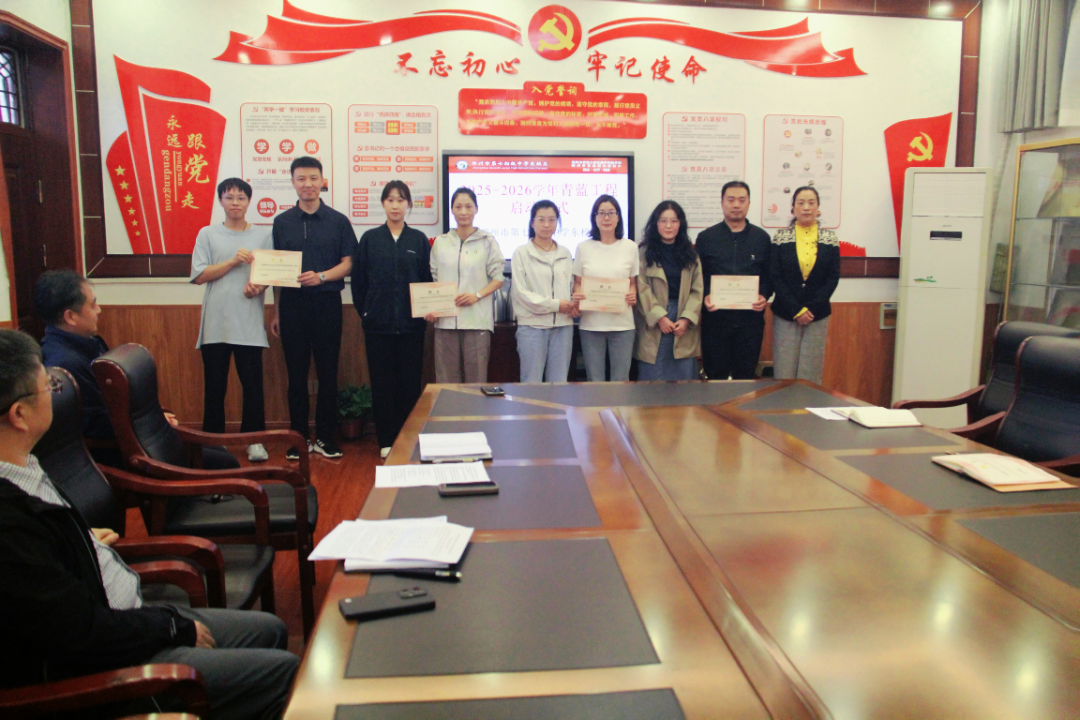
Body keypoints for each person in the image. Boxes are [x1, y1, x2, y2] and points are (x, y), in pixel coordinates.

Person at [0, 329, 299, 720]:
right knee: (284, 673)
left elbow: (46, 566)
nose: (56, 393)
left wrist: (77, 538)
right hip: (115, 666)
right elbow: (81, 633)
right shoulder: (9, 524)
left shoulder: (25, 466)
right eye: (49, 386)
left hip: (129, 616)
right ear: (19, 415)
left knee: (271, 629)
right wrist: (172, 627)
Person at [33, 271, 240, 470]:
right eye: (93, 304)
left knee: (219, 453)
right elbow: (95, 426)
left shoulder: (85, 343)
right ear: (70, 316)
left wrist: (155, 418)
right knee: (225, 463)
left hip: (137, 435)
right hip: (121, 452)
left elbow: (117, 400)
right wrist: (150, 423)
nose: (99, 310)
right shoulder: (64, 363)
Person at [271, 156, 357, 460]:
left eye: (313, 178)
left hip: (327, 304)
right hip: (292, 306)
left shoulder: (338, 220)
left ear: (322, 181)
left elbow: (349, 263)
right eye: (301, 179)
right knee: (295, 376)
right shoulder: (282, 222)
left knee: (328, 373)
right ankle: (298, 438)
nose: (307, 184)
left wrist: (321, 276)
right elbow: (275, 272)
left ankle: (325, 437)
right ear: (293, 182)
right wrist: (277, 312)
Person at [191, 178, 272, 463]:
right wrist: (233, 261)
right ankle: (214, 444)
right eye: (229, 197)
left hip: (248, 322)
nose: (235, 202)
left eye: (241, 197)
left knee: (253, 386)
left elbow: (270, 274)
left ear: (249, 202)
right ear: (220, 201)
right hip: (216, 324)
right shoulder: (207, 234)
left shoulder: (263, 235)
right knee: (215, 387)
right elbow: (199, 275)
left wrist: (258, 287)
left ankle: (255, 441)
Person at [352, 180, 432, 460]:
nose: (395, 205)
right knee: (382, 385)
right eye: (390, 200)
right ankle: (386, 439)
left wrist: (425, 309)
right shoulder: (370, 239)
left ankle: (408, 439)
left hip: (412, 327)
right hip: (378, 327)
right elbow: (359, 282)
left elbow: (426, 280)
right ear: (383, 204)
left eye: (400, 200)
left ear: (408, 204)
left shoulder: (418, 240)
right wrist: (367, 313)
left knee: (409, 385)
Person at [694, 181, 772, 380]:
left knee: (745, 378)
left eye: (741, 200)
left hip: (750, 322)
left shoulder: (761, 238)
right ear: (722, 203)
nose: (736, 204)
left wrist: (764, 295)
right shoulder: (706, 238)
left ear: (749, 203)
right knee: (715, 377)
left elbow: (769, 275)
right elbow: (697, 277)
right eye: (731, 200)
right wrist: (705, 296)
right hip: (716, 321)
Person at [428, 187, 504, 383]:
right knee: (446, 380)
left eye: (468, 206)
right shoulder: (441, 243)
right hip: (445, 321)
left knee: (476, 380)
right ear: (452, 210)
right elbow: (435, 279)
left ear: (476, 209)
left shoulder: (487, 241)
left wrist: (476, 295)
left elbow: (498, 278)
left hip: (476, 321)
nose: (463, 212)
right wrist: (432, 307)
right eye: (458, 207)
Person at [769, 186, 841, 384]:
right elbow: (775, 276)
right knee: (784, 373)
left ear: (818, 208)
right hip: (785, 313)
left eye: (811, 203)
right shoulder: (780, 238)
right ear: (793, 208)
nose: (806, 207)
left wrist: (811, 308)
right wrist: (796, 309)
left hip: (816, 316)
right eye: (801, 203)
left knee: (811, 374)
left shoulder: (830, 239)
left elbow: (833, 277)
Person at [572, 195, 639, 382]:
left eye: (611, 213)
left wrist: (632, 295)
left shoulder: (630, 247)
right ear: (595, 218)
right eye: (601, 213)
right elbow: (578, 282)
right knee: (595, 381)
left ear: (618, 217)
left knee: (621, 381)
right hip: (591, 325)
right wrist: (577, 295)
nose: (606, 218)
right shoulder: (584, 248)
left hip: (622, 325)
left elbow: (632, 284)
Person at [634, 201, 704, 380]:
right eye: (663, 220)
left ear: (680, 224)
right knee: (653, 381)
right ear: (655, 223)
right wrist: (660, 317)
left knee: (683, 383)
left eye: (674, 221)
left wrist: (686, 319)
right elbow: (641, 288)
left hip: (682, 321)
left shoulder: (691, 254)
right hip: (654, 323)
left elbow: (697, 290)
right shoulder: (643, 253)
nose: (668, 226)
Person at [510, 200, 577, 383]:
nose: (546, 224)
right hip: (532, 327)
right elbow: (521, 293)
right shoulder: (521, 253)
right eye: (541, 219)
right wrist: (556, 305)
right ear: (532, 223)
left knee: (559, 384)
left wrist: (575, 305)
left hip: (563, 328)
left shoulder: (565, 253)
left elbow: (571, 287)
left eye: (552, 220)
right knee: (531, 383)